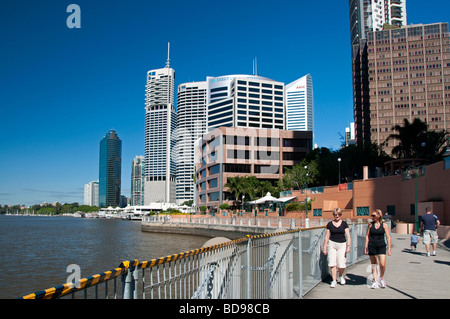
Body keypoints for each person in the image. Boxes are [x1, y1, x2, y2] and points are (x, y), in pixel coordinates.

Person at [323, 208, 351, 288]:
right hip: (332, 244)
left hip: (342, 244)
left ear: (341, 215)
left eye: (338, 214)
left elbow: (348, 236)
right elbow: (327, 236)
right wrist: (325, 247)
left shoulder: (344, 224)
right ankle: (334, 280)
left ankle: (341, 276)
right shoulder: (330, 224)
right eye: (335, 214)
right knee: (332, 263)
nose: (337, 216)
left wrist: (348, 246)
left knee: (341, 263)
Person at [365, 209, 391, 289]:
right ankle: (375, 281)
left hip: (381, 246)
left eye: (374, 215)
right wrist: (365, 247)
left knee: (382, 264)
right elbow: (367, 236)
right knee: (374, 264)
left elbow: (388, 237)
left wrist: (389, 248)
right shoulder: (370, 224)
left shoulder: (384, 225)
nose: (372, 217)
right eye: (371, 215)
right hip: (372, 245)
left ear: (379, 215)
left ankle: (381, 277)